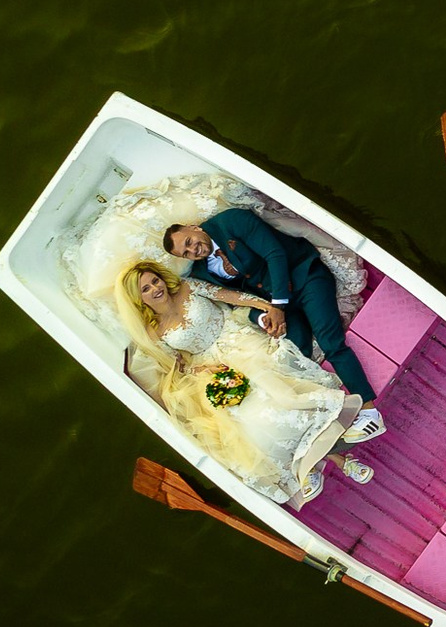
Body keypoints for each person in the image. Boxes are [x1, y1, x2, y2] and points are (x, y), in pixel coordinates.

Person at [113, 262, 379, 503]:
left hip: (238, 339)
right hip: (211, 367)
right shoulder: (154, 331)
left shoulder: (187, 287)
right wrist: (204, 368)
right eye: (146, 289)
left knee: (281, 396)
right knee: (253, 421)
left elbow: (231, 297)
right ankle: (336, 462)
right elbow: (180, 366)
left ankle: (330, 462)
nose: (155, 289)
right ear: (139, 299)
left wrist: (265, 306)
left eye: (155, 281)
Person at [163, 211, 380, 408]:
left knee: (330, 342)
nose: (193, 250)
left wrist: (277, 305)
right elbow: (237, 301)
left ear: (194, 228)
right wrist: (263, 318)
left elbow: (275, 254)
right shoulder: (201, 272)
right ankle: (336, 410)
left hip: (305, 278)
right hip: (278, 307)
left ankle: (368, 407)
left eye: (189, 242)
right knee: (295, 358)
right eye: (186, 253)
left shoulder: (231, 221)